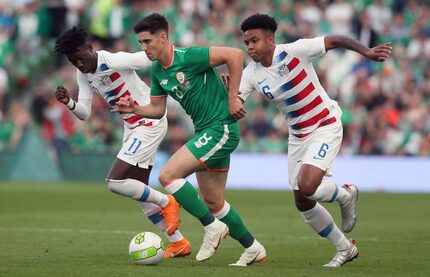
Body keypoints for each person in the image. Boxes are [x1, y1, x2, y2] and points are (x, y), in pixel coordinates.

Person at [235, 14, 391, 267]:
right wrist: (229, 96)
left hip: (324, 125)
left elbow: (336, 40)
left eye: (255, 40)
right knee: (302, 201)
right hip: (297, 135)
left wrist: (367, 52)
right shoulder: (251, 73)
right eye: (247, 43)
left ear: (270, 39)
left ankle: (344, 195)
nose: (250, 47)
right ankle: (344, 249)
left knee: (307, 186)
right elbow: (236, 104)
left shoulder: (295, 51)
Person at [112, 13, 266, 266]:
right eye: (140, 43)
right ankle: (252, 247)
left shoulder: (189, 57)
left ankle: (212, 228)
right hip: (205, 131)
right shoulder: (157, 70)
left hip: (220, 129)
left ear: (163, 37)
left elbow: (235, 55)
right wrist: (134, 109)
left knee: (167, 175)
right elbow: (157, 110)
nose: (144, 48)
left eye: (148, 41)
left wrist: (232, 97)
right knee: (214, 201)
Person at [53, 26, 191, 258]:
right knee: (139, 193)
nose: (78, 64)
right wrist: (69, 103)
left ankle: (167, 202)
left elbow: (148, 60)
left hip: (149, 122)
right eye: (72, 61)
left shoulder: (114, 60)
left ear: (90, 48)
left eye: (79, 58)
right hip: (133, 128)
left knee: (115, 182)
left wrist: (180, 60)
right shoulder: (83, 74)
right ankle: (178, 243)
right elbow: (85, 113)